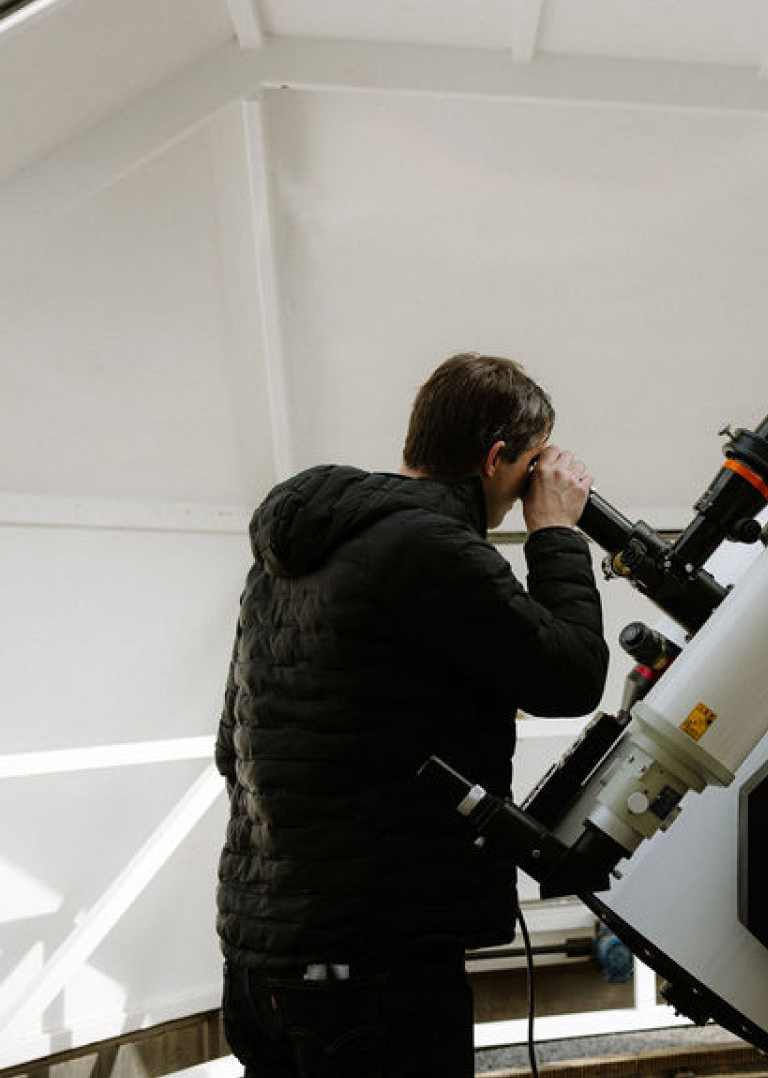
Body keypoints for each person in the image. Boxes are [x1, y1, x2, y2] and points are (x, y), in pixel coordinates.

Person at [215, 353, 610, 1076]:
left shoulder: (291, 553)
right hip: (376, 969)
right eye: (527, 466)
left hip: (259, 959)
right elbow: (573, 675)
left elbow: (232, 746)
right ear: (495, 458)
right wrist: (555, 532)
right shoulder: (430, 545)